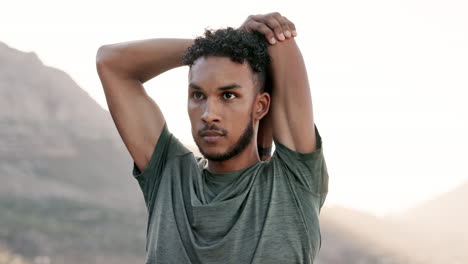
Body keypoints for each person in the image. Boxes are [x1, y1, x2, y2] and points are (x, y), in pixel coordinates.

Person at [96, 12, 329, 264]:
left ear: (260, 106)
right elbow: (110, 62)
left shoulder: (292, 183)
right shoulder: (169, 175)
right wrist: (211, 48)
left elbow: (278, 40)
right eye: (198, 95)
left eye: (228, 95)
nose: (209, 114)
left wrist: (233, 46)